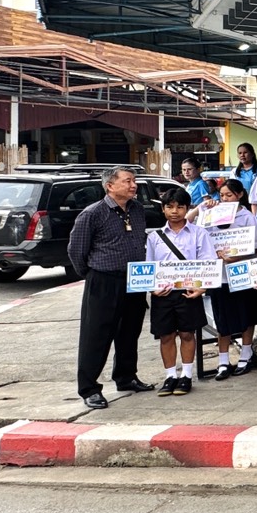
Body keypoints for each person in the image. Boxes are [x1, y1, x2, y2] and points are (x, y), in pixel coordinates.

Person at [66, 166, 155, 409]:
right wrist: (92, 274)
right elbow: (76, 251)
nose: (133, 185)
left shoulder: (137, 209)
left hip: (134, 279)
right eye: (127, 181)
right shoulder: (92, 214)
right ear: (110, 186)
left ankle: (126, 377)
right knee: (96, 335)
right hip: (104, 280)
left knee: (130, 332)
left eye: (134, 181)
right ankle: (89, 388)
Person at [145, 187, 215, 397]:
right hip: (163, 293)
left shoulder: (199, 233)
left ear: (187, 208)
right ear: (163, 209)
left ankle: (186, 375)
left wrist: (201, 288)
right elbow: (149, 266)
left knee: (187, 333)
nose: (175, 211)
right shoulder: (155, 237)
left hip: (188, 291)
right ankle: (170, 376)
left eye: (180, 207)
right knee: (166, 336)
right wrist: (152, 289)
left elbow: (208, 262)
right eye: (170, 207)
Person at [206, 178, 257, 380]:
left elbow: (254, 247)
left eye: (229, 195)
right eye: (222, 195)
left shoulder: (247, 217)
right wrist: (205, 209)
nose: (225, 199)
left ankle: (246, 354)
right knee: (222, 320)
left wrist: (234, 257)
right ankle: (223, 360)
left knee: (246, 316)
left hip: (241, 274)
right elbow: (204, 238)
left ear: (240, 195)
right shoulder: (213, 215)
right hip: (220, 276)